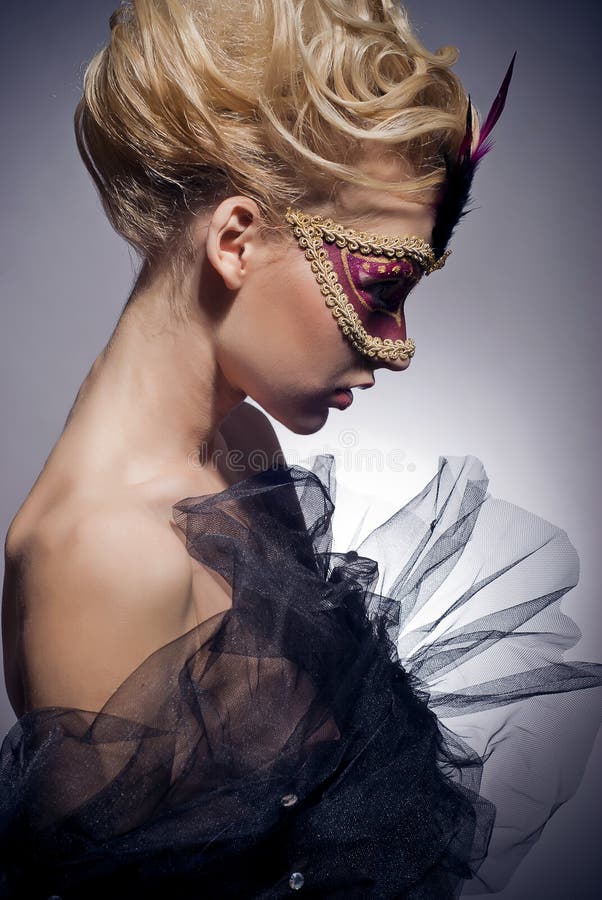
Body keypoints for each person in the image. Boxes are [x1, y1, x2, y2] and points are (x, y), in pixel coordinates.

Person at [0, 1, 600, 897]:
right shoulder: (104, 555)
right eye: (381, 287)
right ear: (236, 241)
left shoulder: (237, 441)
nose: (397, 345)